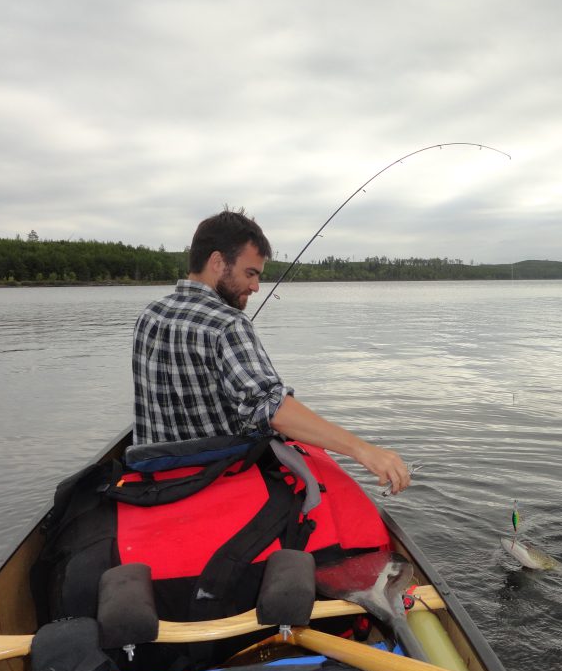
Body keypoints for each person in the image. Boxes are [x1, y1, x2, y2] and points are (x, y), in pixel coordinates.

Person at [132, 207, 411, 494]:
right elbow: (270, 406)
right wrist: (364, 450)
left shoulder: (150, 315)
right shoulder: (228, 323)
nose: (255, 286)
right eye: (250, 273)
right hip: (214, 482)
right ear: (217, 262)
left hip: (154, 481)